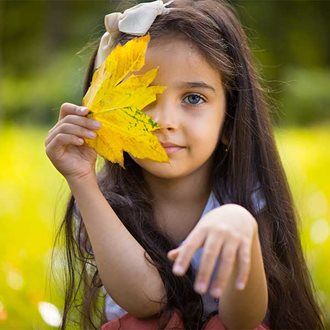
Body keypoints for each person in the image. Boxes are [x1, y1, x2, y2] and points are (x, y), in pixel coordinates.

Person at [44, 0, 325, 329]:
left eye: (193, 98)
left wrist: (243, 229)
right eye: (143, 99)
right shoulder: (105, 203)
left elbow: (243, 321)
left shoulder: (248, 195)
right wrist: (81, 179)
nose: (165, 121)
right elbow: (144, 302)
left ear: (229, 120)